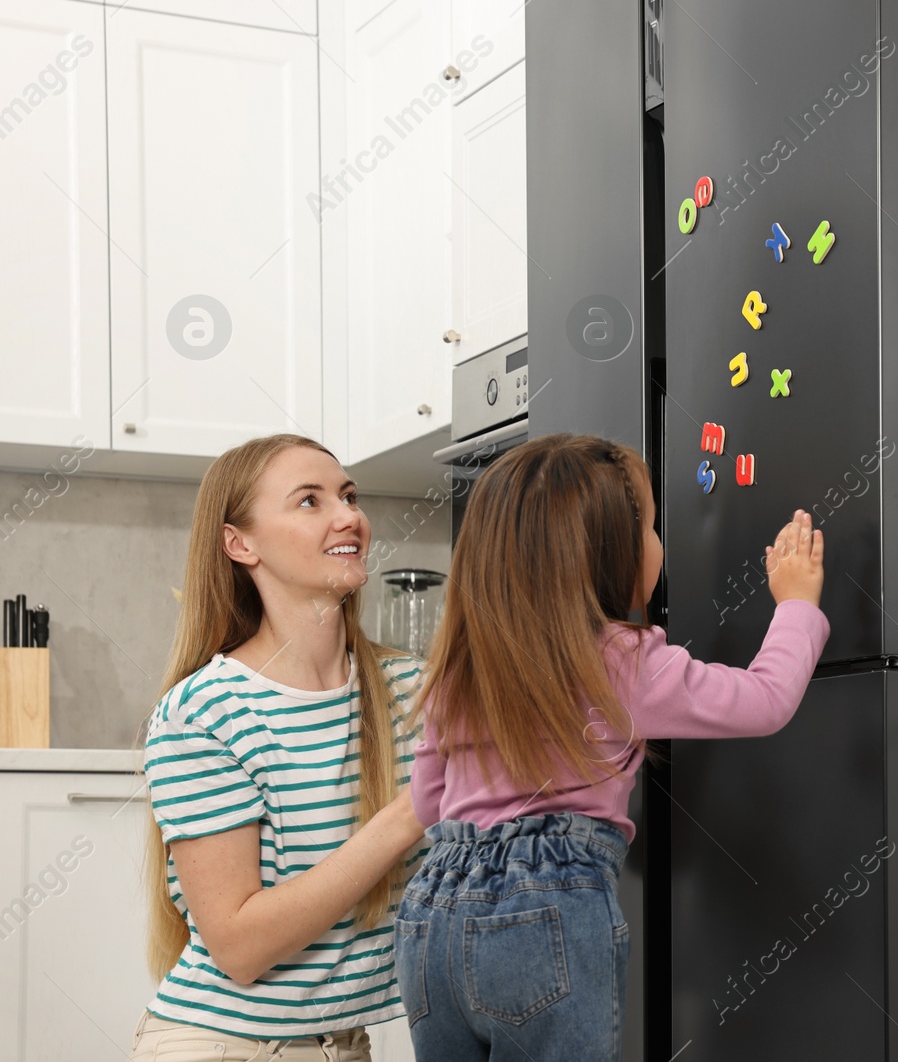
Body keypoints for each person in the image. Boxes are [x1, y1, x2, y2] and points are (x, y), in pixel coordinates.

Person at [397, 433, 828, 1061]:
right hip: (546, 915)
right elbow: (764, 700)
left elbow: (429, 802)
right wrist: (795, 605)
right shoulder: (621, 660)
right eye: (652, 528)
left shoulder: (461, 667)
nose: (659, 544)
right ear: (612, 550)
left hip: (430, 917)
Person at [132, 433, 427, 1061]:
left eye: (349, 495)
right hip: (225, 1047)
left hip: (344, 1045)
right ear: (241, 544)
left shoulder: (411, 690)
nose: (349, 515)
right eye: (309, 501)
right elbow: (239, 947)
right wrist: (409, 813)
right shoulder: (206, 713)